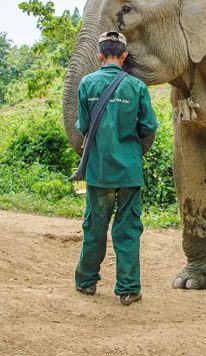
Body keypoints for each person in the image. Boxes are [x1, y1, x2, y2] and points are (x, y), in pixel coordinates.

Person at [74, 31, 159, 306]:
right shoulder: (136, 86)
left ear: (99, 56)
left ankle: (86, 282)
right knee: (127, 229)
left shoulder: (86, 84)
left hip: (99, 171)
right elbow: (149, 127)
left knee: (95, 227)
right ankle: (128, 289)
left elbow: (83, 126)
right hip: (129, 172)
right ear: (124, 56)